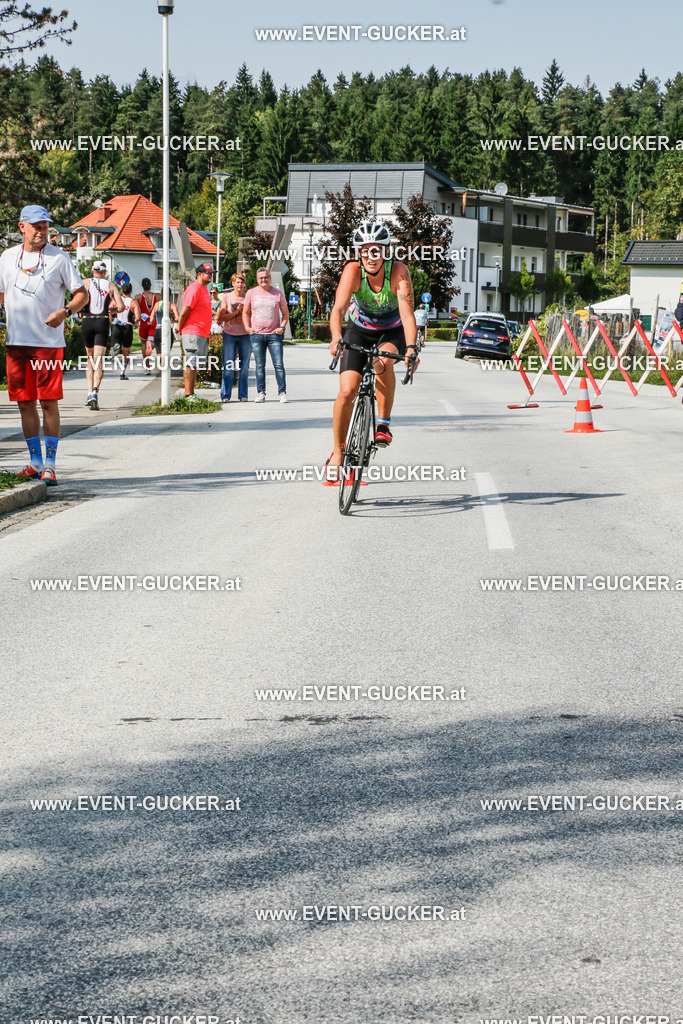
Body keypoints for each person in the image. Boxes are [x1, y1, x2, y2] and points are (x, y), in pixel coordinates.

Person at [0, 204, 87, 486]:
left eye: (45, 226)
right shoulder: (7, 257)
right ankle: (35, 462)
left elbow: (81, 294)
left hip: (47, 345)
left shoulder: (59, 258)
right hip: (16, 343)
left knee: (48, 404)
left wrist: (66, 311)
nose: (41, 231)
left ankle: (50, 464)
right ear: (21, 226)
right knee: (24, 404)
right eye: (36, 226)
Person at [327, 220, 419, 476]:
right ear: (359, 253)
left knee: (381, 360)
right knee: (347, 391)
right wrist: (336, 336)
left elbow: (408, 314)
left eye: (376, 250)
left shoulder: (398, 272)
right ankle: (337, 450)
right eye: (365, 250)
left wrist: (411, 348)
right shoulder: (352, 271)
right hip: (359, 330)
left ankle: (382, 424)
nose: (371, 256)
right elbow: (338, 309)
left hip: (392, 331)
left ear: (385, 252)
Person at [81, 259, 124, 409]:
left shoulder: (85, 282)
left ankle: (88, 392)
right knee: (99, 360)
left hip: (87, 321)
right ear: (104, 272)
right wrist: (113, 311)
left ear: (92, 271)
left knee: (90, 359)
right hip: (102, 322)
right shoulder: (111, 285)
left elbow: (77, 300)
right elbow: (122, 306)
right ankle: (95, 392)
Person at [242, 267, 289, 403]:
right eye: (261, 278)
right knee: (259, 366)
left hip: (274, 335)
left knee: (278, 365)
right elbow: (245, 313)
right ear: (257, 280)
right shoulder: (251, 293)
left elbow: (285, 313)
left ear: (270, 278)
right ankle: (261, 393)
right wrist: (247, 328)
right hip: (256, 335)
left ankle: (282, 393)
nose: (264, 280)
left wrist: (282, 327)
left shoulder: (277, 294)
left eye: (266, 277)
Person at [177, 262, 214, 402]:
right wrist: (179, 327)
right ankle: (188, 395)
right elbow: (185, 311)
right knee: (190, 362)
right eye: (208, 273)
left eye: (211, 273)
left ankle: (192, 393)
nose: (211, 275)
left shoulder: (204, 289)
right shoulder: (194, 289)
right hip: (193, 331)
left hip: (201, 332)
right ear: (199, 274)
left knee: (195, 363)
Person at [217, 272, 251, 402]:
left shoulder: (248, 297)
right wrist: (236, 312)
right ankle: (225, 395)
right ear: (233, 283)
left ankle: (243, 394)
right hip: (229, 334)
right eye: (237, 282)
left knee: (244, 366)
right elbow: (222, 317)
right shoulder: (227, 297)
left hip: (245, 335)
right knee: (228, 365)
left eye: (242, 282)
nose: (240, 284)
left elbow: (251, 315)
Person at [111, 283, 140, 380]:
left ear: (122, 291)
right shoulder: (133, 302)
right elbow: (138, 317)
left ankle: (115, 350)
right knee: (126, 351)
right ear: (131, 291)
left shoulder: (116, 301)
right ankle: (122, 372)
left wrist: (112, 320)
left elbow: (109, 311)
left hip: (117, 326)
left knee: (115, 347)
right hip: (128, 326)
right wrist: (134, 322)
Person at [134, 278, 159, 375]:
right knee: (153, 343)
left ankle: (147, 368)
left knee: (143, 344)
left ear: (142, 285)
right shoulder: (157, 296)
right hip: (153, 321)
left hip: (144, 322)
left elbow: (133, 307)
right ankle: (151, 345)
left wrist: (136, 317)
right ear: (150, 285)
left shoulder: (138, 297)